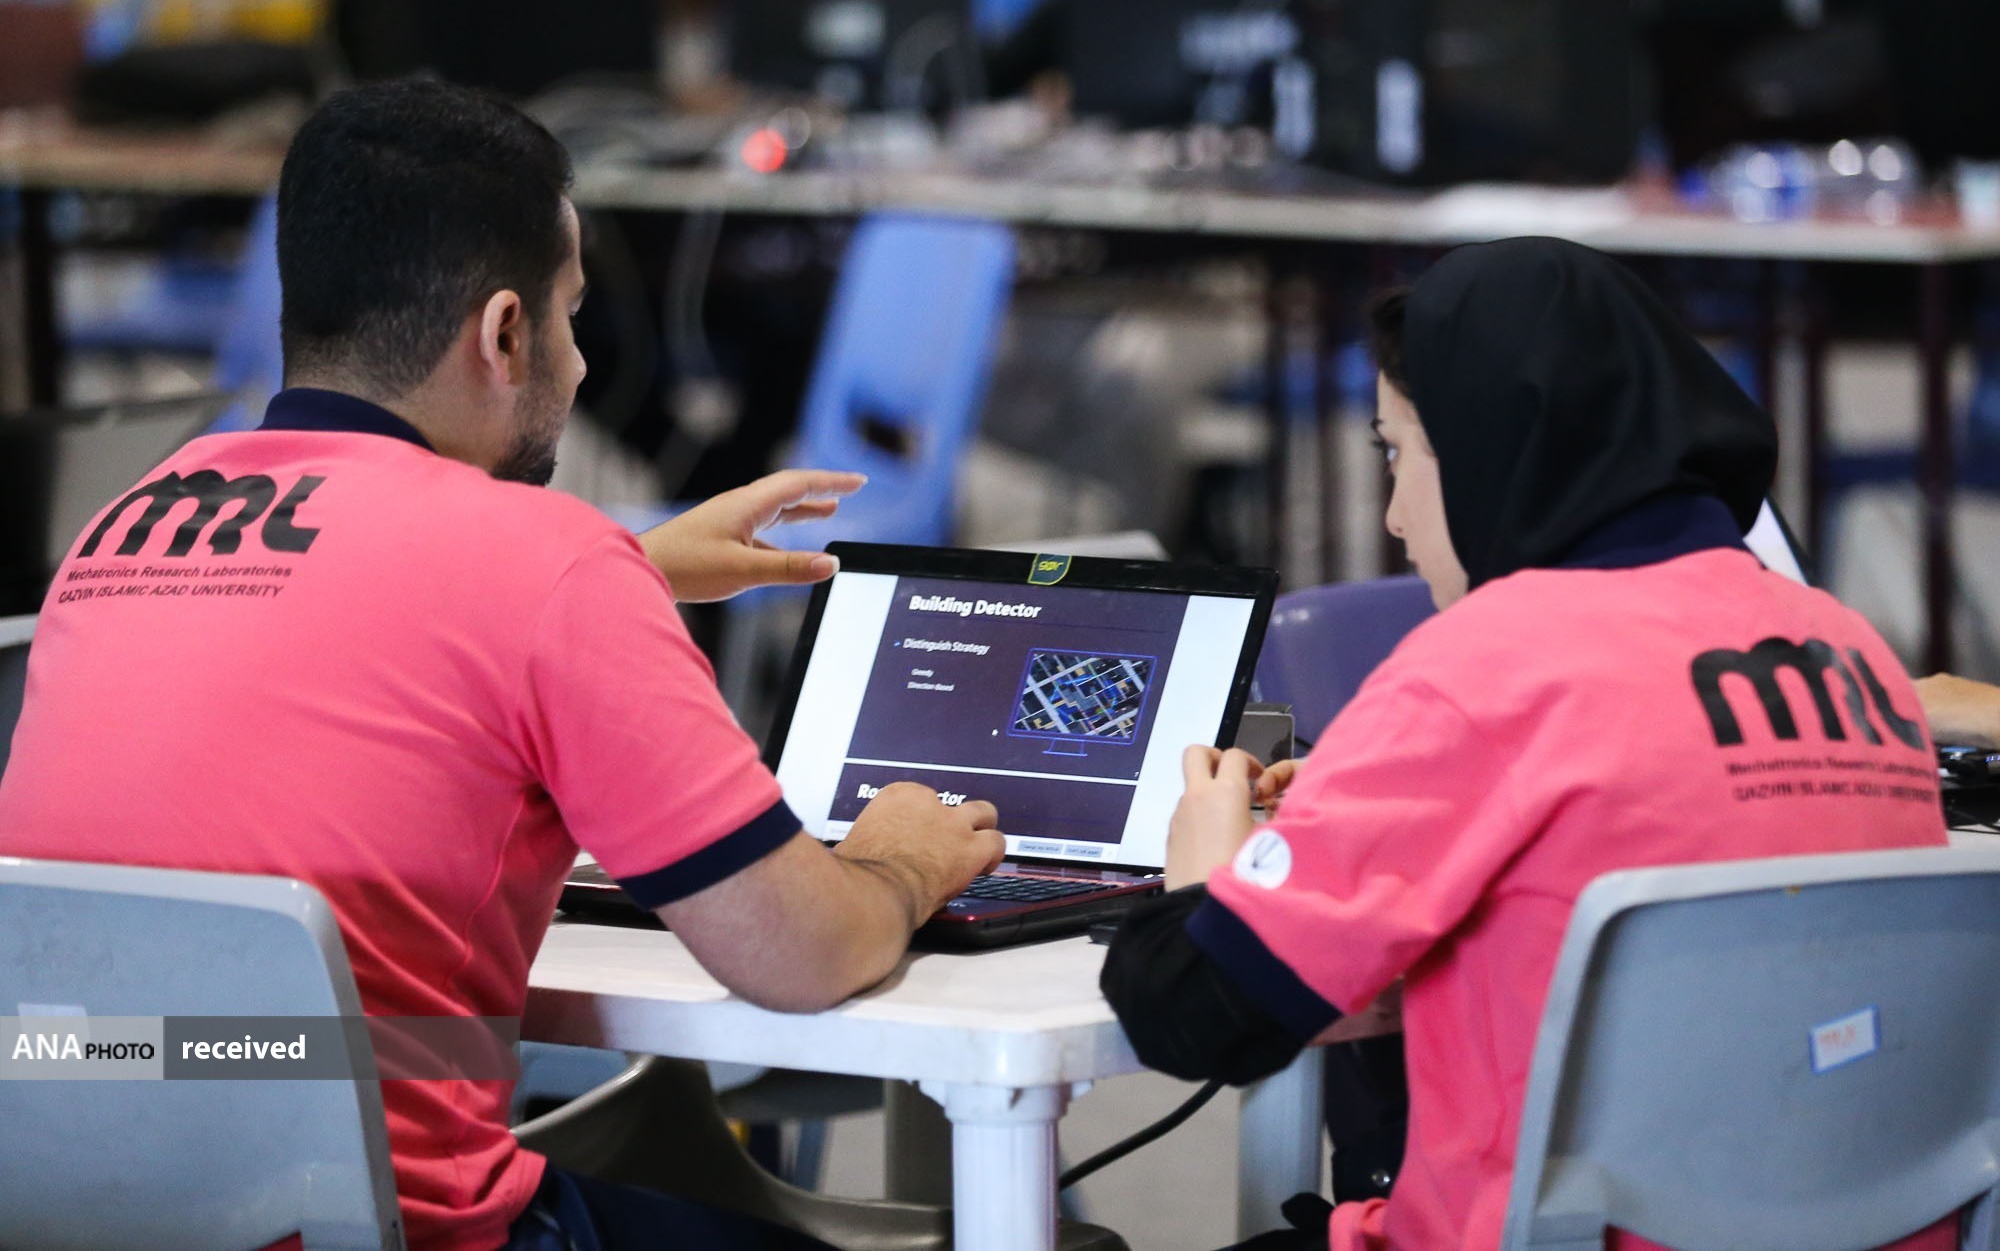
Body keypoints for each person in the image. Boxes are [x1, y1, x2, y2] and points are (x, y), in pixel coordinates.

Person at [0, 79, 1004, 1251]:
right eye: (572, 320)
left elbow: (348, 612)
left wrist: (627, 569)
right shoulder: (543, 565)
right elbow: (801, 953)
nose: (575, 370)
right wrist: (898, 859)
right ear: (505, 334)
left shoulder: (126, 524)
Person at [1101, 237, 1951, 1251]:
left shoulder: (1486, 664)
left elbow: (1194, 1014)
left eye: (1397, 452)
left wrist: (1204, 869)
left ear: (1488, 443)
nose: (1393, 516)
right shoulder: (1846, 648)